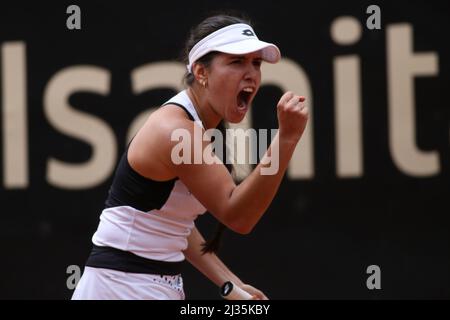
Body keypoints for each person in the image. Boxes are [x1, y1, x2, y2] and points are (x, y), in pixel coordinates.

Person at [72, 13, 308, 300]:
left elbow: (173, 223)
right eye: (236, 62)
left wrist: (230, 283)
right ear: (201, 73)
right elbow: (240, 217)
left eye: (255, 63)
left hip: (146, 285)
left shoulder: (196, 124)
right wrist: (286, 139)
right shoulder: (176, 131)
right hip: (122, 287)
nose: (251, 73)